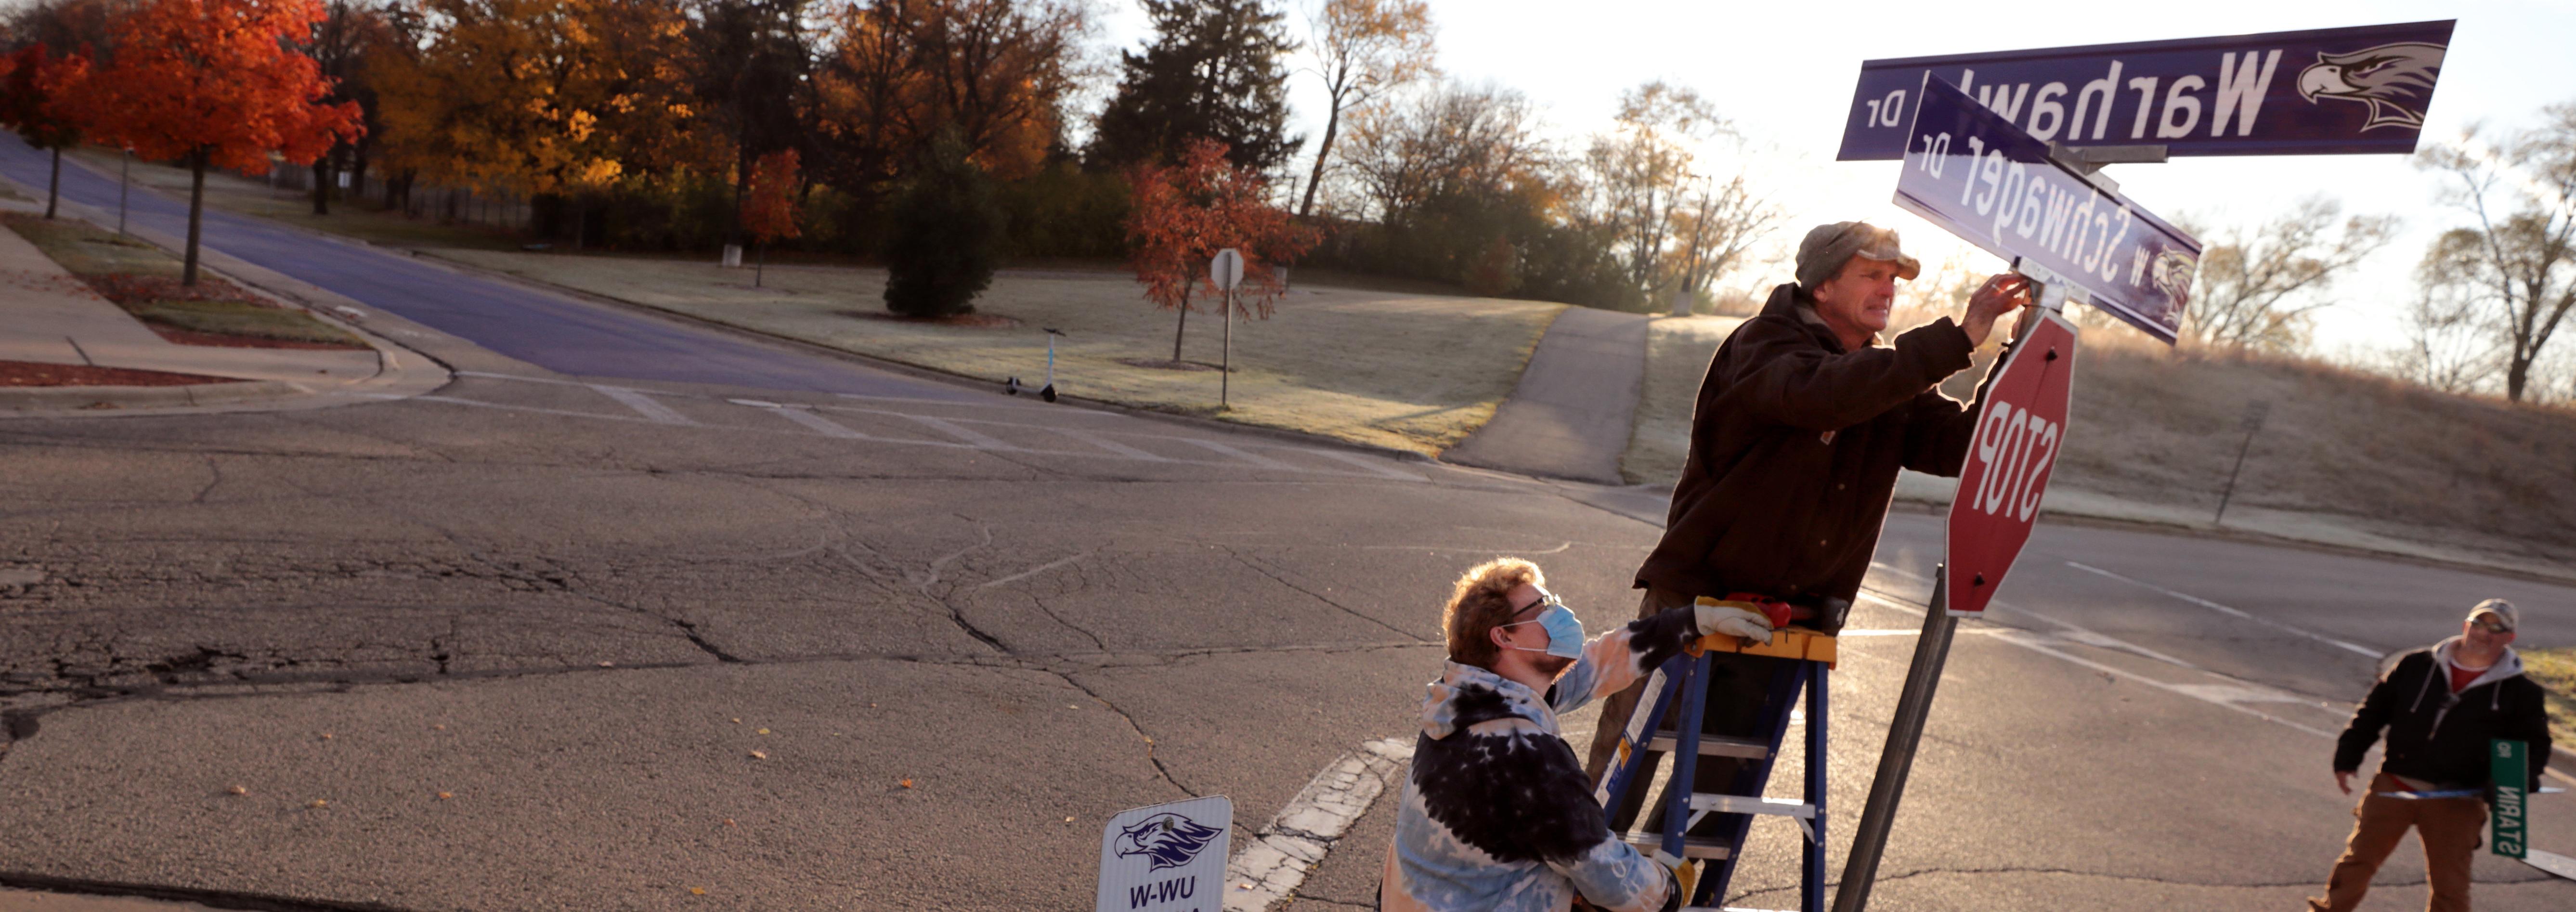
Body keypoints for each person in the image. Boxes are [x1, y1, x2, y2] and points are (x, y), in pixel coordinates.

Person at [1584, 221, 2031, 827]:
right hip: (1696, 597)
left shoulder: (1881, 374)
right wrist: (1961, 335)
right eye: (1870, 275)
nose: (1886, 290)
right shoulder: (1765, 343)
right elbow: (1820, 396)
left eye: (1893, 279)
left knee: (1715, 799)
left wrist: (2020, 352)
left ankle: (1662, 895)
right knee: (1621, 771)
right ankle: (1564, 890)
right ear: (1822, 286)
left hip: (1792, 619)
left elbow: (1959, 448)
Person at [1380, 557, 1775, 912]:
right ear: (1505, 636)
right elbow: (1603, 871)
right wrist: (1668, 887)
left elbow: (1594, 668)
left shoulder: (1467, 702)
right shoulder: (1522, 752)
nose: (1560, 612)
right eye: (1543, 607)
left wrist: (1690, 621)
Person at [2307, 599, 2552, 912]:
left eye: (2496, 628)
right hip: (2395, 783)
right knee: (2358, 861)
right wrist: (2347, 757)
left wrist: (2517, 781)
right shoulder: (2416, 666)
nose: (2484, 633)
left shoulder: (2521, 693)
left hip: (2458, 799)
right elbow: (2373, 712)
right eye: (2479, 624)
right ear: (2466, 626)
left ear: (2510, 638)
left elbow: (2535, 745)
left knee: (2450, 886)